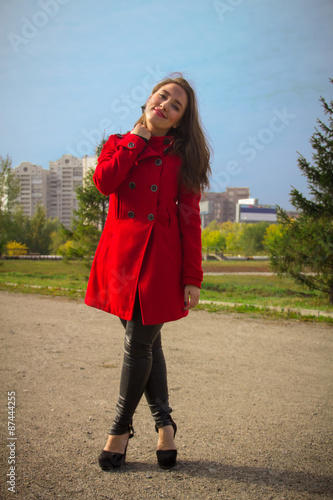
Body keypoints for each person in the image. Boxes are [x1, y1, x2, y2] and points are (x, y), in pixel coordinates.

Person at [85, 73, 211, 470]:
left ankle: (119, 431)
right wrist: (137, 139)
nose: (166, 106)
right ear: (148, 99)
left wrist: (193, 276)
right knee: (148, 344)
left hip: (159, 260)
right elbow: (105, 182)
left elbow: (190, 218)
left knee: (138, 345)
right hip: (121, 258)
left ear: (179, 121)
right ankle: (165, 426)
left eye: (176, 107)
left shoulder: (183, 157)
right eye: (163, 97)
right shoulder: (117, 144)